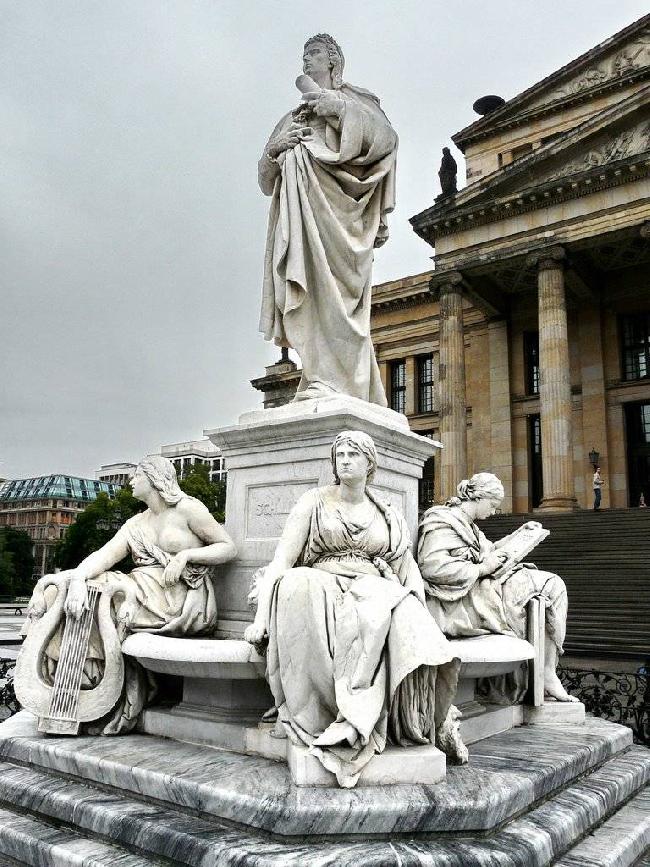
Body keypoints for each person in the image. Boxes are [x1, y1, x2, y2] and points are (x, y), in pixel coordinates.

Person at [245, 431, 464, 788]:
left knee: (404, 613)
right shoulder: (313, 502)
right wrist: (260, 618)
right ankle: (324, 716)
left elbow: (406, 567)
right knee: (300, 585)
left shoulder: (386, 513)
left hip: (373, 586)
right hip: (326, 581)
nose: (345, 460)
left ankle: (417, 720)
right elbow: (282, 559)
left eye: (353, 454)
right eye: (340, 454)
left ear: (369, 463)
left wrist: (418, 607)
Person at [25, 456, 237, 734]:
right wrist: (77, 578)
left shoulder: (188, 510)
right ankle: (80, 688)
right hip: (141, 588)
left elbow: (227, 548)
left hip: (180, 598)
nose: (131, 481)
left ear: (154, 479)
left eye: (137, 476)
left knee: (105, 599)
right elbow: (102, 557)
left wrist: (186, 555)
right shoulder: (136, 523)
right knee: (75, 591)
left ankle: (95, 691)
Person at [258, 34, 397, 405]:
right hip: (301, 219)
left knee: (340, 300)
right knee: (309, 297)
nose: (306, 60)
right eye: (303, 54)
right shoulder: (290, 119)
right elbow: (264, 181)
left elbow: (385, 140)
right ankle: (319, 375)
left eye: (314, 53)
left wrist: (336, 108)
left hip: (344, 220)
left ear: (334, 60)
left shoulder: (357, 101)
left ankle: (344, 382)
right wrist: (275, 150)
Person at [418, 473, 578, 705]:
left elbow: (489, 549)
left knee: (552, 586)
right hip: (461, 597)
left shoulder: (468, 525)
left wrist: (519, 534)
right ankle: (546, 673)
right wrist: (483, 568)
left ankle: (546, 671)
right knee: (550, 585)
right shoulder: (442, 521)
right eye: (492, 505)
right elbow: (434, 568)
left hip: (482, 586)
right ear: (478, 497)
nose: (493, 512)